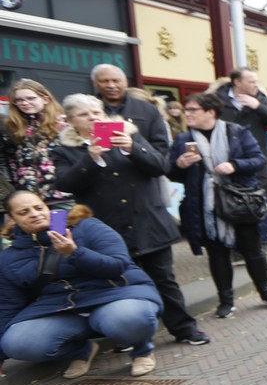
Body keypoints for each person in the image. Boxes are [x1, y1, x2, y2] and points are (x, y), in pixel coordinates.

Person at [52, 93, 210, 347]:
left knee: (164, 279)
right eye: (84, 114)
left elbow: (160, 166)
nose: (93, 118)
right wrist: (90, 158)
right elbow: (65, 183)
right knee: (121, 283)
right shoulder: (65, 150)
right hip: (108, 227)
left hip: (148, 222)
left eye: (97, 113)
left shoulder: (128, 134)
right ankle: (131, 336)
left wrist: (132, 148)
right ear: (71, 121)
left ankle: (184, 328)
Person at [0, 192, 162, 378]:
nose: (35, 214)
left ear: (47, 207)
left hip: (114, 295)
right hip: (61, 309)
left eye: (38, 208)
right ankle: (81, 351)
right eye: (24, 212)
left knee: (129, 318)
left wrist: (75, 253)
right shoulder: (8, 257)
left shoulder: (87, 226)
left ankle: (142, 350)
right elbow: (8, 306)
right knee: (17, 344)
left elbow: (117, 265)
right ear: (12, 218)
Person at [168, 92, 267, 318]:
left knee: (253, 251)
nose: (187, 114)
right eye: (186, 110)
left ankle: (266, 292)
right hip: (205, 206)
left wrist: (234, 165)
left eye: (193, 110)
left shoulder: (236, 132)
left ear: (210, 112)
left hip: (240, 202)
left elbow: (258, 160)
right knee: (217, 254)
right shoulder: (183, 140)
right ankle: (226, 300)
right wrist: (179, 164)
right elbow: (170, 171)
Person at [0, 78, 73, 209]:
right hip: (29, 201)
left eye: (31, 98)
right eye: (19, 100)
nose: (25, 103)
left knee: (62, 223)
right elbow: (9, 163)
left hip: (62, 198)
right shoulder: (12, 129)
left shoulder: (65, 125)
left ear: (45, 99)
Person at [212, 68, 267, 189]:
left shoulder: (261, 100)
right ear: (237, 82)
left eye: (257, 82)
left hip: (258, 169)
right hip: (227, 168)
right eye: (251, 82)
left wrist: (259, 107)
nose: (256, 85)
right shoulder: (216, 102)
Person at [91, 64, 171, 162]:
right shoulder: (88, 111)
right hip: (101, 167)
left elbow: (161, 147)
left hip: (141, 167)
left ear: (126, 82)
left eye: (116, 81)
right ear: (95, 83)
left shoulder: (147, 109)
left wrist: (138, 152)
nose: (111, 85)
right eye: (104, 81)